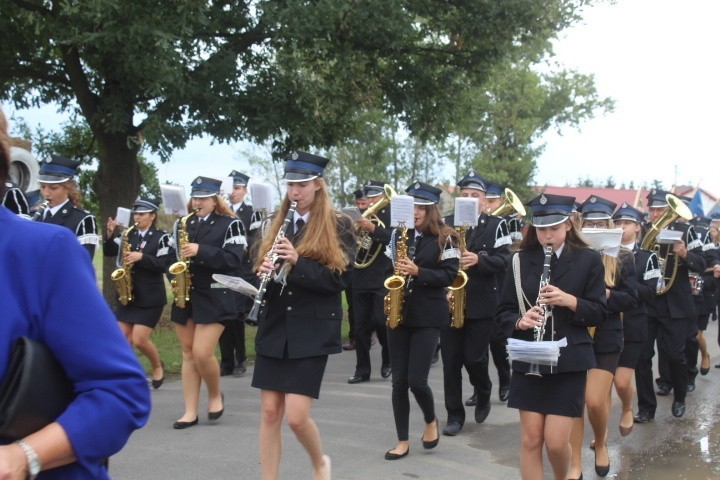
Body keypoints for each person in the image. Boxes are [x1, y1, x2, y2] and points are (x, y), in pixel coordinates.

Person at [0, 107, 151, 479]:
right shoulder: (40, 215)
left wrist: (22, 457)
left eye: (54, 186)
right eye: (46, 185)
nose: (47, 191)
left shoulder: (61, 233)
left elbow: (120, 392)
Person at [250, 151, 354, 480]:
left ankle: (319, 462)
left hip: (312, 328)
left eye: (303, 184)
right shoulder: (277, 223)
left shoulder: (340, 225)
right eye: (291, 184)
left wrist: (297, 261)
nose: (295, 192)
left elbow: (339, 280)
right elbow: (266, 276)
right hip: (276, 324)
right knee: (269, 412)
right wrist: (262, 271)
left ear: (318, 185)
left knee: (295, 416)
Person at [495, 193, 607, 480]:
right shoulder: (519, 261)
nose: (547, 235)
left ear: (569, 224)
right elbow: (503, 312)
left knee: (556, 443)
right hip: (529, 356)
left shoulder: (589, 260)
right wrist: (521, 321)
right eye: (542, 228)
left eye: (554, 228)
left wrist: (569, 300)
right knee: (531, 440)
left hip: (568, 361)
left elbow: (598, 313)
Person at [384, 181, 459, 460]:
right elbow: (388, 268)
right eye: (410, 207)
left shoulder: (447, 237)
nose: (414, 212)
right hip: (399, 313)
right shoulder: (397, 236)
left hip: (428, 315)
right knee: (398, 382)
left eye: (420, 207)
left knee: (417, 380)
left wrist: (418, 271)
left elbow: (450, 276)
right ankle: (402, 440)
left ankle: (430, 419)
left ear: (430, 209)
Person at [567, 195, 637, 479]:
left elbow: (631, 298)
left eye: (600, 223)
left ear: (609, 224)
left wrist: (606, 294)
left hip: (607, 334)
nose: (594, 227)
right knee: (573, 402)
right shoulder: (572, 254)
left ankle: (600, 442)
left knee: (594, 400)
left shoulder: (623, 256)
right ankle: (574, 463)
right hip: (576, 331)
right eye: (589, 223)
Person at [170, 176, 245, 429]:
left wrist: (201, 250)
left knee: (203, 352)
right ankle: (190, 411)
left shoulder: (231, 224)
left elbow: (234, 260)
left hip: (215, 294)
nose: (198, 202)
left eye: (204, 198)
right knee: (189, 353)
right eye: (195, 198)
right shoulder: (183, 224)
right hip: (187, 294)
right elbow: (172, 260)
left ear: (215, 200)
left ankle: (215, 394)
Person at [440, 172, 511, 437]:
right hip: (449, 301)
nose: (470, 199)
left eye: (475, 196)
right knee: (450, 362)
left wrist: (480, 260)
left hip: (482, 303)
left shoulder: (496, 225)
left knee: (474, 358)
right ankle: (454, 415)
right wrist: (444, 286)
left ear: (484, 201)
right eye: (465, 195)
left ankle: (483, 390)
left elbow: (504, 260)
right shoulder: (446, 223)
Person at [634, 190, 706, 421]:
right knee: (642, 357)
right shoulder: (643, 231)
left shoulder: (686, 231)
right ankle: (646, 407)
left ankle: (680, 397)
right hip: (649, 302)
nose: (655, 214)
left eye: (659, 210)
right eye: (652, 210)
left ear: (668, 212)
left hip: (674, 305)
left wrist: (685, 254)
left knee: (676, 356)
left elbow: (703, 263)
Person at [104, 197, 174, 389]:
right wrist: (110, 235)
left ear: (152, 216)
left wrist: (141, 257)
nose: (137, 217)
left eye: (142, 214)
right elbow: (110, 252)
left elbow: (164, 265)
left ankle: (158, 366)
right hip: (129, 295)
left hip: (150, 297)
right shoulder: (128, 234)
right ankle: (128, 377)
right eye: (135, 213)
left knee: (139, 339)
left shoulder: (162, 237)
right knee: (121, 339)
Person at [610, 203, 659, 438]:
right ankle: (601, 435)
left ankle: (636, 407)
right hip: (606, 324)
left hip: (633, 324)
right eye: (618, 223)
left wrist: (623, 290)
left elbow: (651, 292)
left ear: (638, 228)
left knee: (622, 382)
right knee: (599, 387)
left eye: (626, 223)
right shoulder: (605, 254)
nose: (621, 227)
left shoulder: (648, 257)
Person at [348, 180, 392, 384]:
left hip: (382, 276)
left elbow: (396, 238)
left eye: (374, 197)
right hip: (359, 276)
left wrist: (373, 228)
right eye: (368, 197)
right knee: (360, 327)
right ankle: (362, 370)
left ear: (383, 196)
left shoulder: (390, 215)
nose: (370, 201)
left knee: (382, 321)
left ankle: (388, 360)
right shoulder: (358, 216)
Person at [218, 170, 254, 377]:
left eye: (238, 188)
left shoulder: (251, 213)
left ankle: (241, 359)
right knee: (223, 316)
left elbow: (257, 240)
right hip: (223, 270)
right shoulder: (221, 213)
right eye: (231, 188)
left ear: (245, 191)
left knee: (237, 316)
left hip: (242, 270)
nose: (234, 192)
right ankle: (226, 361)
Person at [37, 154, 99, 259]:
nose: (46, 193)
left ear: (68, 188)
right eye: (43, 187)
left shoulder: (83, 219)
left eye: (53, 188)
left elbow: (83, 261)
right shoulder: (35, 215)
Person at [342, 188, 367, 351]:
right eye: (357, 203)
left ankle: (368, 334)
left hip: (368, 267)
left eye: (363, 203)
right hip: (352, 266)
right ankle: (354, 338)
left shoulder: (375, 219)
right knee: (352, 306)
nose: (360, 207)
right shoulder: (349, 220)